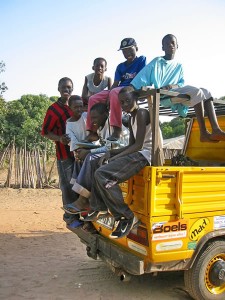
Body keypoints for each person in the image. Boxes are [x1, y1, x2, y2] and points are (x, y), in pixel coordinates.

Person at [83, 86, 155, 239]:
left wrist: (113, 158)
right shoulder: (132, 118)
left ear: (136, 99)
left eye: (128, 101)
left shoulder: (142, 113)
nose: (124, 105)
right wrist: (110, 152)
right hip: (137, 153)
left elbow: (139, 145)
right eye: (121, 103)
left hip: (144, 155)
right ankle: (99, 207)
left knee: (103, 174)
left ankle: (126, 217)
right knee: (97, 164)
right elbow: (131, 145)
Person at [130, 34, 225, 143]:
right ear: (163, 48)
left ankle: (216, 129)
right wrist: (131, 88)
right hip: (164, 95)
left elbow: (180, 83)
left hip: (176, 92)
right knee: (197, 91)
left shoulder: (179, 66)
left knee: (207, 92)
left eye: (173, 43)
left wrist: (171, 86)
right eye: (167, 44)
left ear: (177, 46)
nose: (170, 45)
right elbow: (142, 76)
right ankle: (203, 133)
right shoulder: (157, 62)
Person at [63, 102, 129, 215]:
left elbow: (112, 147)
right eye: (91, 117)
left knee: (90, 157)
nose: (92, 120)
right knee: (80, 158)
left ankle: (83, 200)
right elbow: (105, 146)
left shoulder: (112, 125)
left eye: (95, 117)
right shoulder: (100, 128)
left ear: (105, 115)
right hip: (112, 152)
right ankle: (83, 196)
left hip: (122, 153)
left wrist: (89, 151)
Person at [86, 37, 146, 141]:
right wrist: (108, 95)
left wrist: (113, 93)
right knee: (93, 99)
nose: (127, 52)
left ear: (136, 48)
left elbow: (142, 77)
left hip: (132, 88)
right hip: (119, 89)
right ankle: (92, 131)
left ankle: (117, 130)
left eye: (129, 49)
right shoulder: (120, 66)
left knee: (114, 92)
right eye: (124, 50)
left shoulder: (141, 60)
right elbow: (115, 83)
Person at [41, 77, 77, 224]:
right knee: (67, 186)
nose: (66, 90)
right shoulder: (53, 109)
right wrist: (59, 138)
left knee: (79, 184)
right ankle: (70, 217)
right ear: (58, 89)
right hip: (64, 154)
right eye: (63, 88)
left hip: (79, 153)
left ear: (72, 89)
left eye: (69, 87)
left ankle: (79, 214)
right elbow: (45, 131)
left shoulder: (76, 105)